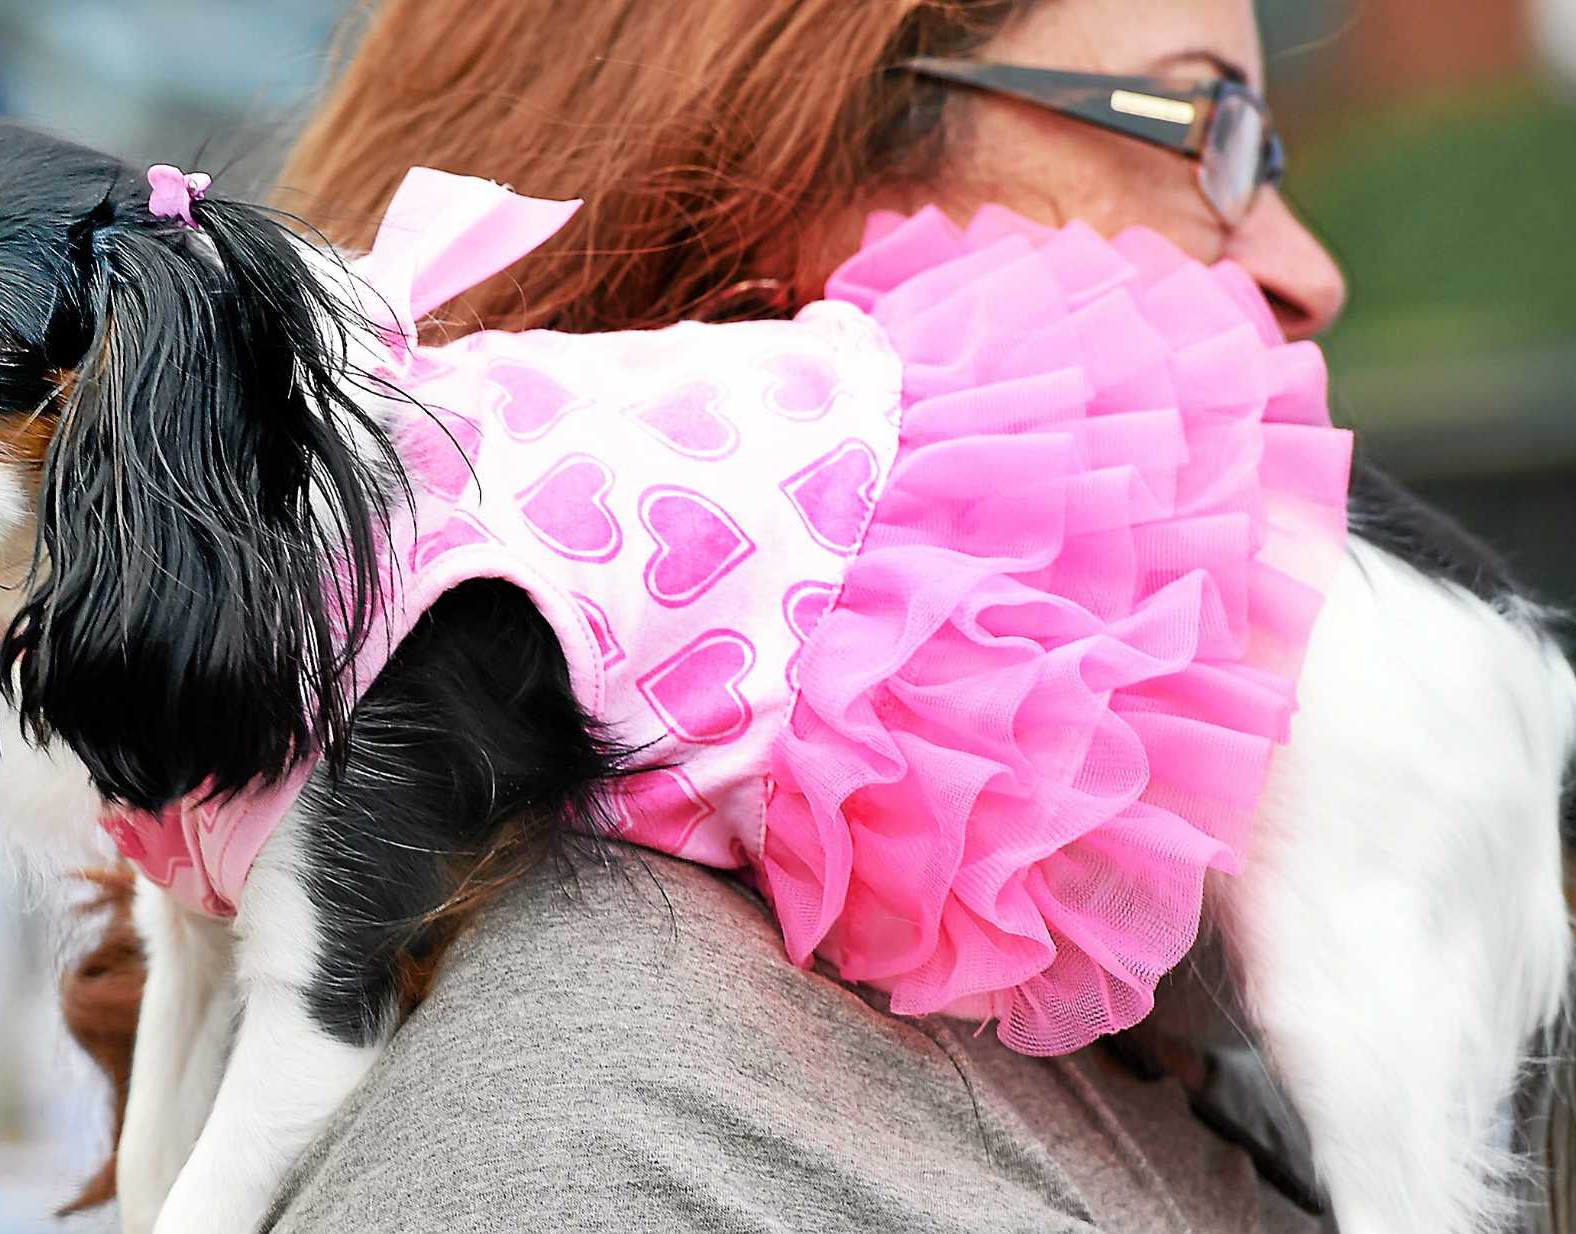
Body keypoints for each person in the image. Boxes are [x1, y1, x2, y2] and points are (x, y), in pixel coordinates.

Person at [67, 1, 1349, 1229]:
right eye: (1197, 117)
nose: (1308, 274)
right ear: (761, 172)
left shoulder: (1149, 988)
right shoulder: (598, 1126)